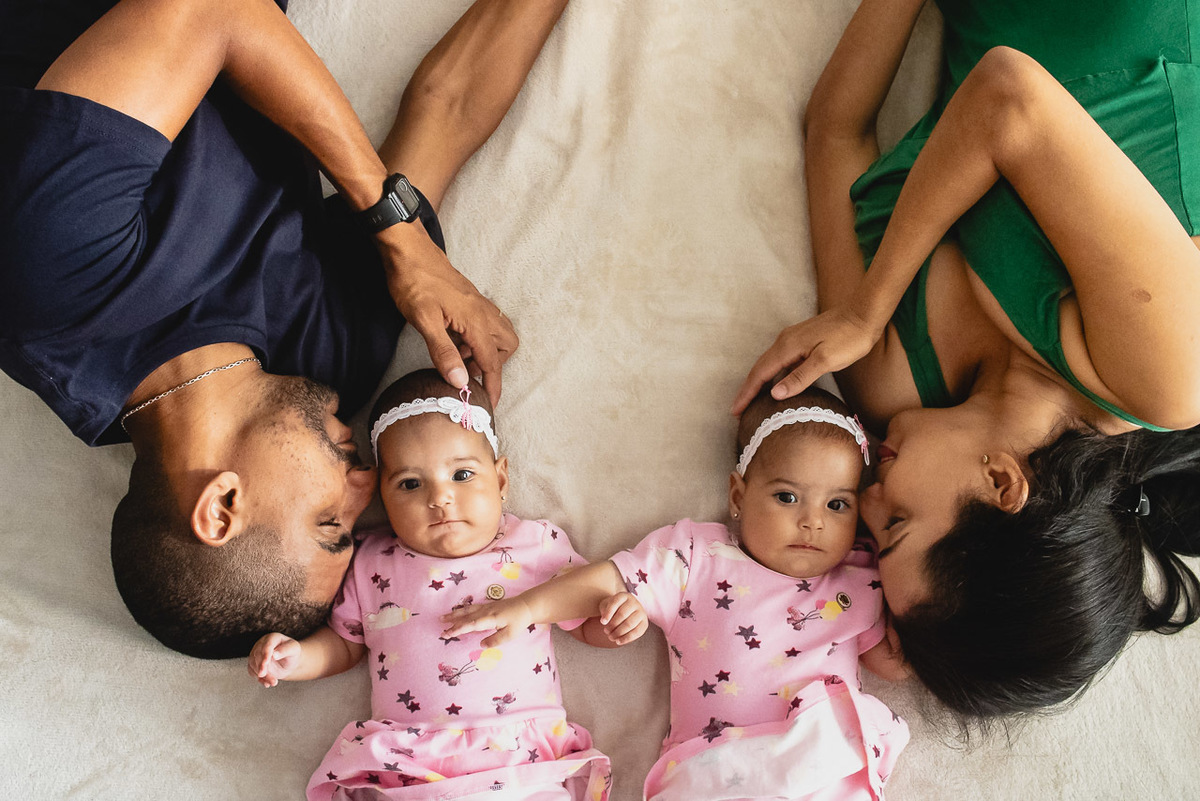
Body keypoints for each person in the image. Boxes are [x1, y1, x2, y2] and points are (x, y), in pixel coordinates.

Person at [0, 0, 568, 658]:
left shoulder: (51, 286)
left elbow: (210, 9)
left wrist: (400, 234)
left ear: (222, 506)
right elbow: (449, 107)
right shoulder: (325, 369)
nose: (368, 488)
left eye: (329, 523)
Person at [733, 0, 1200, 723]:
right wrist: (867, 306)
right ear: (1002, 482)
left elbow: (835, 129)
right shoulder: (1167, 375)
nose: (869, 498)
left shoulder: (887, 379)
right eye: (897, 526)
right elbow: (1007, 96)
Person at [444, 388, 910, 800]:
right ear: (738, 496)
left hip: (820, 765)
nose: (814, 520)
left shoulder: (862, 578)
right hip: (712, 769)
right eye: (787, 497)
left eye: (838, 504)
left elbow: (895, 662)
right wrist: (527, 607)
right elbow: (605, 582)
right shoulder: (696, 557)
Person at [246, 369, 626, 799]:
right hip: (411, 763)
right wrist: (296, 658)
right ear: (382, 501)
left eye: (462, 475)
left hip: (519, 758)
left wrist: (613, 622)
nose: (439, 498)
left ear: (501, 480)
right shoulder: (372, 562)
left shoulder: (535, 546)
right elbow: (346, 645)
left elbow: (587, 608)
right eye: (410, 483)